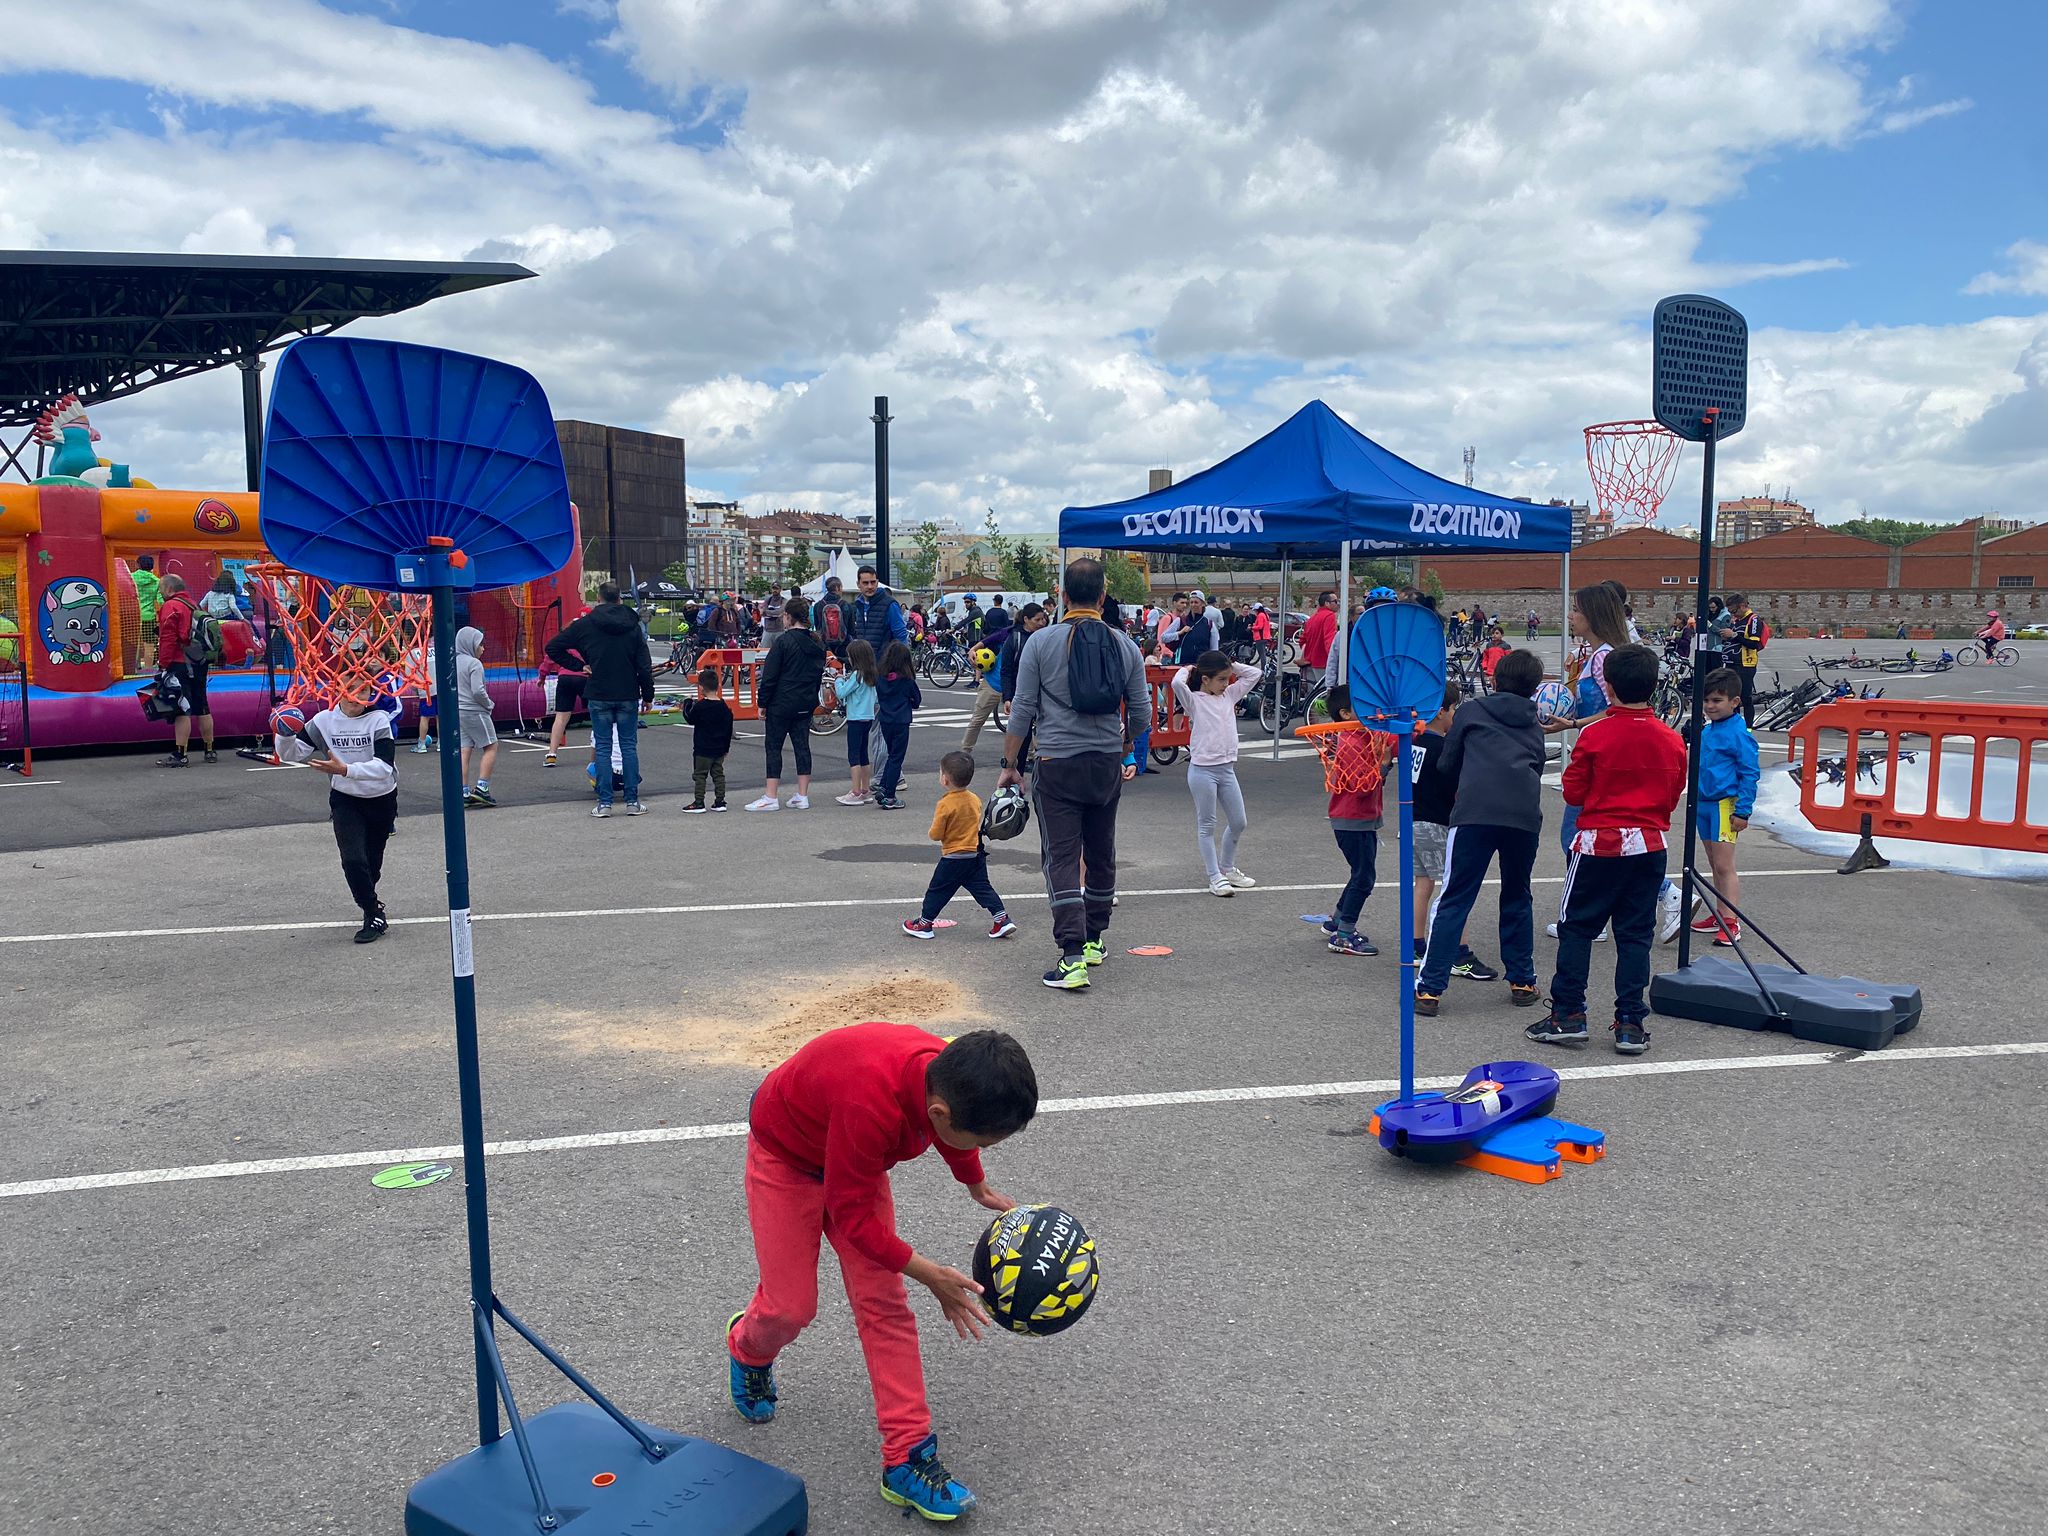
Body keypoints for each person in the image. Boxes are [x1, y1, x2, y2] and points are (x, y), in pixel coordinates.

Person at [727, 1025, 1034, 1521]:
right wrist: (930, 1273)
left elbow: (953, 1138)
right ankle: (746, 1346)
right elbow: (852, 1217)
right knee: (790, 1307)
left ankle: (907, 1458)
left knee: (885, 1306)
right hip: (787, 1157)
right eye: (985, 1140)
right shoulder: (871, 1102)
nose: (983, 1146)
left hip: (854, 1161)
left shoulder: (949, 1071)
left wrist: (975, 1184)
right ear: (939, 1114)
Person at [1526, 645, 1687, 1055]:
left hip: (1598, 842)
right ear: (1653, 687)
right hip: (1649, 843)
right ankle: (1631, 1022)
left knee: (1577, 928)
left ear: (1608, 686)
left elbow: (1574, 791)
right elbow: (1672, 795)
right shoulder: (1670, 739)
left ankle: (1568, 1014)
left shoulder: (1594, 734)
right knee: (1635, 935)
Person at [999, 558, 1148, 991]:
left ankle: (1070, 955)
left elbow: (1022, 710)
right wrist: (1120, 750)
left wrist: (1010, 766)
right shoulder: (1126, 646)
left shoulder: (1040, 642)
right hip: (1104, 763)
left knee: (1061, 858)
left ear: (1063, 596)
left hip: (1057, 762)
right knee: (1101, 852)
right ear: (1103, 597)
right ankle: (1095, 940)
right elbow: (1139, 713)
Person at [1413, 649, 1547, 1016]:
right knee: (1517, 893)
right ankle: (1522, 978)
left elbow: (1447, 762)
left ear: (1493, 679)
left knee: (1456, 896)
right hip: (1522, 814)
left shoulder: (1472, 711)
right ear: (1534, 688)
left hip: (1475, 812)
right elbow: (1536, 761)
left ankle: (1430, 988)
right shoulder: (1533, 720)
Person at [272, 682, 399, 943]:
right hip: (345, 799)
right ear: (338, 688)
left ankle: (368, 899)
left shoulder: (378, 720)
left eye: (363, 691)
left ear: (370, 694)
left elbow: (384, 767)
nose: (356, 695)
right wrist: (283, 731)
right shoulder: (323, 721)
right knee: (352, 859)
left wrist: (346, 770)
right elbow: (292, 754)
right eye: (350, 687)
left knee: (371, 865)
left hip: (381, 797)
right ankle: (373, 913)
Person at [1405, 682, 1498, 979]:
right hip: (1437, 823)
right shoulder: (1443, 748)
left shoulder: (1414, 742)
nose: (1455, 714)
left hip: (1413, 821)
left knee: (1422, 884)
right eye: (1454, 708)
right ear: (1442, 710)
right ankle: (1459, 952)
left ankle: (1416, 943)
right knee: (1455, 889)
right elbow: (1457, 788)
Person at [547, 581, 655, 818]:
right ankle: (632, 801)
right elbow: (644, 666)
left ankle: (604, 802)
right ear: (620, 598)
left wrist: (579, 665)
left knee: (603, 748)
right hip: (627, 691)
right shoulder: (633, 626)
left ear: (599, 598)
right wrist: (648, 695)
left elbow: (553, 647)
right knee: (628, 746)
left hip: (598, 691)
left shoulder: (586, 625)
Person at [1171, 650, 1262, 896]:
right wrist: (1189, 669)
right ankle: (1214, 876)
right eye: (1221, 679)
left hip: (1226, 770)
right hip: (1202, 771)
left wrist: (1233, 665)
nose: (1226, 684)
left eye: (1228, 678)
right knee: (1207, 825)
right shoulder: (1194, 700)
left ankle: (1227, 868)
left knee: (1238, 821)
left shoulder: (1229, 696)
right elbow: (1176, 683)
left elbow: (1256, 673)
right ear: (1205, 679)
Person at [902, 752, 1017, 940]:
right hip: (974, 854)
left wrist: (933, 833)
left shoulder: (945, 804)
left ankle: (924, 923)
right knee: (983, 888)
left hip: (953, 857)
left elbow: (936, 833)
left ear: (945, 779)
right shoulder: (974, 799)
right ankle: (1002, 919)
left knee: (937, 890)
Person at [1313, 684, 1390, 956]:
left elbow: (1391, 740)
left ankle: (1336, 921)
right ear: (1346, 713)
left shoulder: (1363, 735)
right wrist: (1385, 763)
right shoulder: (1352, 742)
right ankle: (1344, 934)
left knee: (1360, 872)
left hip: (1359, 819)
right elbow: (1362, 786)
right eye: (1363, 707)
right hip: (1352, 819)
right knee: (1365, 877)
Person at [1690, 667, 1761, 946]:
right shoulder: (1708, 730)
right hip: (1704, 803)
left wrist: (1743, 810)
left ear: (1735, 702)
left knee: (1724, 865)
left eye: (1717, 701)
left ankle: (1731, 922)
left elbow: (1749, 772)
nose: (1710, 706)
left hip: (1724, 805)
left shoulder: (1738, 734)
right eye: (1706, 700)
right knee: (1713, 863)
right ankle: (1720, 913)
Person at [749, 597, 827, 812]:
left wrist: (762, 702)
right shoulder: (817, 642)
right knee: (802, 746)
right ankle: (802, 795)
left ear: (789, 617)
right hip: (806, 701)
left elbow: (770, 676)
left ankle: (771, 796)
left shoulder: (783, 642)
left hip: (782, 702)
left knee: (774, 746)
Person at [152, 575, 216, 765]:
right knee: (202, 704)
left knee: (182, 708)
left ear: (169, 589)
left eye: (161, 589)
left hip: (180, 662)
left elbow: (168, 638)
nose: (160, 593)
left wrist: (163, 663)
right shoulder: (193, 604)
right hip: (199, 661)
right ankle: (210, 750)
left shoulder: (171, 606)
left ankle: (181, 754)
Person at [874, 640, 922, 810]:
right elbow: (917, 701)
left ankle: (883, 785)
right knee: (897, 757)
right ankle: (889, 796)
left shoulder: (880, 678)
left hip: (885, 719)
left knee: (891, 754)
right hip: (901, 720)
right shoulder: (907, 680)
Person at [681, 667, 734, 813]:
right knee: (718, 774)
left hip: (703, 748)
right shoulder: (724, 707)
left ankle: (699, 802)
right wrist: (726, 748)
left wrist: (687, 704)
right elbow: (729, 730)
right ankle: (720, 801)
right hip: (719, 748)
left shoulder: (701, 706)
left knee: (700, 775)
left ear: (701, 687)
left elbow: (690, 719)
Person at [835, 639, 880, 806]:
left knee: (853, 755)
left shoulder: (857, 675)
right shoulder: (871, 674)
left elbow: (841, 692)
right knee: (863, 754)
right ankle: (865, 790)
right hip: (868, 716)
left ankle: (855, 791)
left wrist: (839, 679)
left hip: (855, 717)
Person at [1716, 592, 1766, 726]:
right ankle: (1734, 725)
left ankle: (1748, 728)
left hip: (1745, 665)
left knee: (1745, 697)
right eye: (1730, 612)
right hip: (1731, 664)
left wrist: (1733, 636)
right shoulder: (1737, 621)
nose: (1733, 615)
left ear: (1742, 606)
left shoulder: (1753, 619)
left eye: (1734, 611)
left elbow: (1753, 644)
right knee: (1731, 697)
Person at [541, 642, 587, 768]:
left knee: (560, 717)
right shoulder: (588, 639)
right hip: (585, 678)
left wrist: (542, 676)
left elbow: (549, 659)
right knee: (597, 714)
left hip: (565, 678)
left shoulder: (564, 641)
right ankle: (601, 753)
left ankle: (551, 754)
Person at [854, 566, 910, 656]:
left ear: (877, 582)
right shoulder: (859, 605)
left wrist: (903, 663)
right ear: (858, 584)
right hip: (865, 663)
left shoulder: (890, 605)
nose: (870, 586)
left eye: (873, 582)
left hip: (885, 663)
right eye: (865, 583)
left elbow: (900, 635)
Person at [1299, 589, 1338, 685]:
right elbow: (1329, 640)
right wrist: (1335, 659)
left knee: (1313, 695)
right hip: (1322, 662)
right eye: (1335, 601)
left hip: (1309, 662)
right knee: (1325, 694)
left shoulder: (1312, 618)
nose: (1338, 604)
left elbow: (1302, 640)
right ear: (1327, 603)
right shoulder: (1330, 616)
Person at [132, 554, 161, 670]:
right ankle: (148, 668)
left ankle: (135, 666)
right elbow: (160, 600)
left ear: (138, 564)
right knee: (149, 642)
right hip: (149, 616)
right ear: (151, 566)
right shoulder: (157, 581)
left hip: (133, 616)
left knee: (133, 641)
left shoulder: (131, 578)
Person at [812, 576, 853, 659]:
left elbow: (817, 627)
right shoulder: (846, 605)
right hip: (843, 645)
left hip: (825, 645)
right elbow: (851, 628)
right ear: (838, 588)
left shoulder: (818, 606)